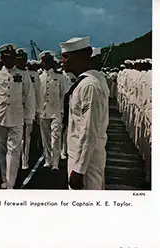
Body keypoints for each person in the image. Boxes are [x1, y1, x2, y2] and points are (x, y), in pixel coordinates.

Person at [59, 36, 110, 190]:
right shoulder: (86, 82)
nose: (62, 61)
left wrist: (79, 170)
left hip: (85, 162)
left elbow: (88, 130)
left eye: (66, 56)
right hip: (83, 156)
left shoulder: (89, 86)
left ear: (81, 57)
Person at [0, 43, 35, 189]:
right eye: (6, 58)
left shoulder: (23, 74)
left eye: (12, 58)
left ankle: (11, 183)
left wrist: (29, 117)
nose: (9, 61)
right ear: (2, 59)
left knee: (14, 150)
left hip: (17, 117)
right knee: (2, 150)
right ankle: (4, 178)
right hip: (0, 117)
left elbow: (29, 96)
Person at [39, 50, 66, 170]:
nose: (46, 64)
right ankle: (47, 159)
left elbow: (63, 95)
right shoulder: (39, 78)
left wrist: (62, 111)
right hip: (43, 112)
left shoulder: (60, 77)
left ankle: (55, 162)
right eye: (44, 62)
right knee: (45, 138)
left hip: (56, 111)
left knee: (56, 137)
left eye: (48, 62)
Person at [15, 48, 36, 170]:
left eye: (23, 59)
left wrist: (34, 113)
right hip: (14, 112)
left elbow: (33, 95)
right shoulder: (12, 74)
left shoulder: (28, 74)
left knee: (26, 139)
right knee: (15, 140)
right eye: (19, 59)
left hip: (27, 111)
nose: (21, 62)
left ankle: (24, 161)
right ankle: (16, 161)